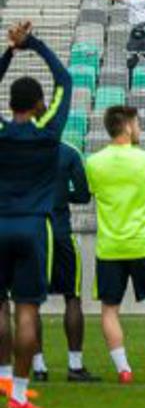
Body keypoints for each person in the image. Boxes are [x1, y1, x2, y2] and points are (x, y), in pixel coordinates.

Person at [0, 21, 71, 408]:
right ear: (39, 102)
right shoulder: (48, 131)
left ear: (10, 104)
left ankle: (4, 377)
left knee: (0, 308)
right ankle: (18, 394)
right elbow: (65, 79)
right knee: (27, 310)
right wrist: (33, 45)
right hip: (33, 226)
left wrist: (10, 52)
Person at [85, 105, 145, 383]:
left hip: (109, 248)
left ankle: (124, 369)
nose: (140, 128)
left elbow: (93, 192)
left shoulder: (94, 163)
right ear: (128, 126)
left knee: (110, 309)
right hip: (141, 245)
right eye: (138, 123)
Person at [31, 142, 96, 382]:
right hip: (60, 233)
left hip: (30, 233)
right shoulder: (69, 152)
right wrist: (60, 194)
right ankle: (75, 366)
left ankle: (38, 368)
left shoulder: (12, 148)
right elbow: (82, 194)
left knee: (29, 302)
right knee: (72, 296)